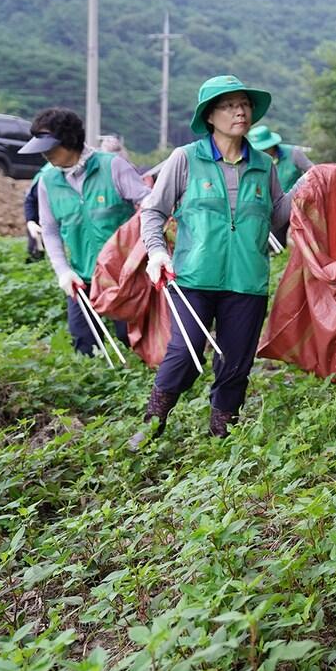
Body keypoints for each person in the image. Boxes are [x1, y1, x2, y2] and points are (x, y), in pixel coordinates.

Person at [132, 75, 294, 446]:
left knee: (236, 362)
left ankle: (222, 435)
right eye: (228, 105)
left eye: (244, 104)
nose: (240, 111)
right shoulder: (185, 158)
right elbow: (153, 211)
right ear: (209, 116)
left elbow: (277, 216)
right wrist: (157, 251)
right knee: (185, 352)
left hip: (247, 280)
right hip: (193, 278)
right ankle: (152, 424)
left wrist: (308, 187)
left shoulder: (263, 166)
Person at [17, 109, 147, 356]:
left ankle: (143, 375)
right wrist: (63, 271)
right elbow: (50, 230)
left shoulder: (112, 167)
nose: (45, 154)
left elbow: (149, 206)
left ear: (70, 140)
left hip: (125, 275)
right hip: (81, 274)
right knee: (84, 342)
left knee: (131, 337)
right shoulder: (47, 181)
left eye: (50, 147)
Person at [247, 124, 313, 192]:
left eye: (264, 149)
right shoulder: (250, 161)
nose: (261, 152)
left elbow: (314, 173)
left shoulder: (294, 153)